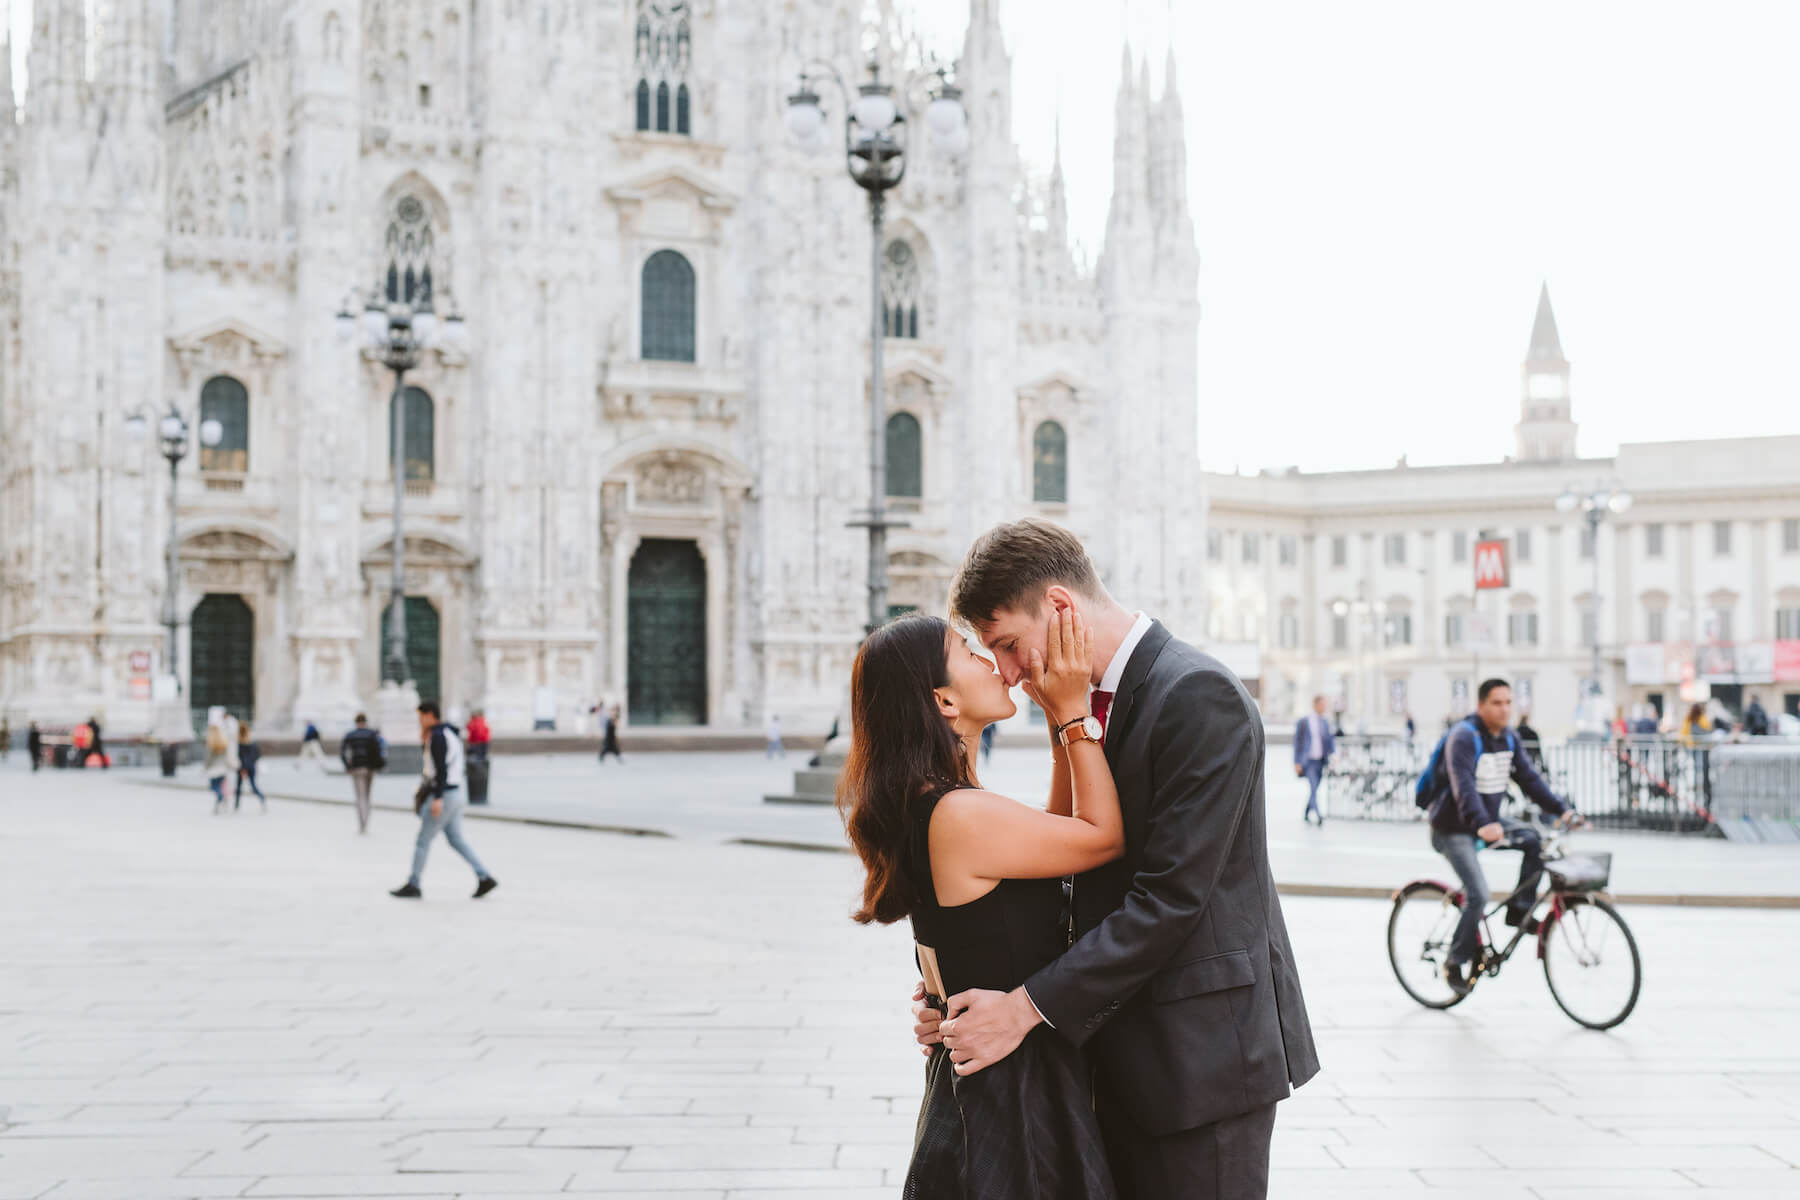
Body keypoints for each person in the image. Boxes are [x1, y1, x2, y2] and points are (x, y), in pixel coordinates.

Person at [914, 520, 1318, 1200]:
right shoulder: (1077, 707)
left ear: (1061, 608)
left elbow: (1170, 901)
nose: (1007, 674)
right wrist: (953, 989)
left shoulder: (1198, 695)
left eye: (1009, 644)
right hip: (1108, 1053)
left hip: (1199, 1063)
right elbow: (1063, 877)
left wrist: (1021, 1009)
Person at [841, 609, 1122, 1196]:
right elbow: (1101, 835)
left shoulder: (938, 803)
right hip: (1012, 1095)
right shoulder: (961, 814)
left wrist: (1052, 721)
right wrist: (1073, 713)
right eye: (968, 653)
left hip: (983, 1082)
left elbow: (1057, 833)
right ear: (945, 701)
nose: (992, 662)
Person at [1426, 679, 1579, 997]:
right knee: (1479, 894)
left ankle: (1518, 910)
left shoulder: (1508, 738)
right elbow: (1463, 786)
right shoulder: (1464, 737)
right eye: (1497, 703)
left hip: (1488, 822)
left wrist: (1562, 810)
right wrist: (1481, 822)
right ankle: (1454, 962)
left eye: (1509, 702)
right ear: (1481, 705)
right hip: (1453, 827)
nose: (1505, 709)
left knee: (1535, 841)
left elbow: (1530, 781)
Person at [390, 701, 498, 900]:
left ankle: (414, 883)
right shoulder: (449, 733)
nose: (419, 721)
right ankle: (484, 876)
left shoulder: (438, 736)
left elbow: (441, 769)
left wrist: (437, 798)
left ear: (430, 715)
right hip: (456, 793)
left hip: (445, 794)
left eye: (421, 716)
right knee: (456, 839)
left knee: (423, 840)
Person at [339, 713, 387, 834]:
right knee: (367, 795)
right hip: (370, 768)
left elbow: (343, 752)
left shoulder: (350, 735)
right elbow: (380, 749)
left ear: (356, 722)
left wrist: (347, 765)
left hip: (357, 769)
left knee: (360, 796)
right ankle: (366, 820)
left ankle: (362, 823)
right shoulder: (372, 734)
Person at [1293, 694, 1335, 827]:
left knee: (1315, 788)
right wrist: (1297, 762)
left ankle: (1307, 811)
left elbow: (1329, 740)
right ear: (1316, 704)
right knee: (1313, 786)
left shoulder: (1324, 722)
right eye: (1322, 704)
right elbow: (1297, 743)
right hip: (1308, 761)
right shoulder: (1304, 722)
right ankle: (1318, 814)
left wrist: (1333, 755)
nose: (1324, 707)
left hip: (1320, 760)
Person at [235, 722, 268, 811]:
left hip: (242, 768)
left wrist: (243, 769)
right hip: (251, 767)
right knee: (253, 785)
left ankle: (236, 805)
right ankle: (261, 797)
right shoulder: (253, 744)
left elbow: (241, 757)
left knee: (239, 787)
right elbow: (257, 756)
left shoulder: (239, 744)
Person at [204, 724, 232, 813]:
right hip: (223, 768)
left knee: (213, 787)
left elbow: (208, 759)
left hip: (214, 769)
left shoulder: (211, 744)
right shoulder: (223, 742)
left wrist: (205, 768)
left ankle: (220, 796)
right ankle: (221, 800)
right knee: (221, 786)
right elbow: (227, 756)